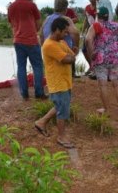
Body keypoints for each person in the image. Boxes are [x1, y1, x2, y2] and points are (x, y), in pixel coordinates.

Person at [34, 17, 76, 149]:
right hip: (58, 83)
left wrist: (71, 56)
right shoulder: (49, 45)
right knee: (62, 110)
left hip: (65, 81)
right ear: (57, 30)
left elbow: (72, 55)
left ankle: (41, 122)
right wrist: (71, 57)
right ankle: (61, 137)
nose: (66, 35)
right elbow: (67, 59)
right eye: (64, 32)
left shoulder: (61, 42)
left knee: (61, 106)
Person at [86, 7, 118, 118]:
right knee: (117, 84)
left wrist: (91, 53)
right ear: (108, 15)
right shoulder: (116, 25)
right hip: (114, 58)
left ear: (98, 16)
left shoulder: (96, 26)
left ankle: (106, 109)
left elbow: (88, 39)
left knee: (103, 85)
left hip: (100, 59)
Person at [7, 0, 47, 100]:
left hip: (18, 40)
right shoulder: (31, 5)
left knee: (21, 67)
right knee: (38, 66)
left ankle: (24, 94)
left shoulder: (11, 6)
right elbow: (38, 23)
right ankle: (39, 93)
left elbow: (11, 23)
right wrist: (34, 30)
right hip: (31, 40)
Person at [40, 0, 80, 78]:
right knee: (65, 77)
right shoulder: (66, 19)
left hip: (50, 51)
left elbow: (41, 34)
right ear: (65, 9)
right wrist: (76, 47)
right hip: (63, 53)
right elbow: (75, 33)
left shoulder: (47, 19)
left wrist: (44, 47)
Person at [82, 0, 97, 76]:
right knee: (84, 49)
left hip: (97, 32)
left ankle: (96, 69)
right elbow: (86, 20)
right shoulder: (87, 8)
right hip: (89, 31)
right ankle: (91, 66)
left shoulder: (98, 7)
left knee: (94, 50)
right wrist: (83, 30)